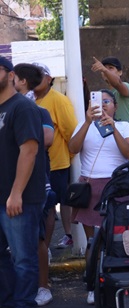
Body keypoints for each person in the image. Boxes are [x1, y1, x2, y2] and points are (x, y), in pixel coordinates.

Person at [69, 89, 129, 304]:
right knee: (93, 241)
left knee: (117, 237)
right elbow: (72, 148)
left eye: (107, 101)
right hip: (89, 186)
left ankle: (118, 280)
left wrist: (113, 128)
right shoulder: (84, 125)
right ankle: (92, 285)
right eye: (99, 101)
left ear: (115, 106)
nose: (103, 105)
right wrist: (88, 122)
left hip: (117, 185)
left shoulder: (125, 126)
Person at [0, 57, 47, 308]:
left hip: (20, 197)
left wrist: (16, 192)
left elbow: (29, 151)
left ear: (10, 75)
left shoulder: (23, 107)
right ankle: (6, 306)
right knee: (2, 258)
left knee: (23, 256)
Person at [12, 64, 55, 308]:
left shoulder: (38, 111)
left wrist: (19, 130)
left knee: (36, 238)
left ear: (22, 82)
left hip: (34, 184)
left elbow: (47, 138)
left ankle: (42, 286)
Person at [32, 63, 77, 251]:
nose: (35, 80)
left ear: (49, 79)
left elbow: (71, 131)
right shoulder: (30, 101)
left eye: (39, 76)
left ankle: (65, 237)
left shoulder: (58, 100)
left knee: (57, 203)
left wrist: (70, 157)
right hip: (36, 164)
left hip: (57, 162)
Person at [91, 56, 129, 148]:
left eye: (111, 68)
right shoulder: (104, 95)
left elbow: (117, 83)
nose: (106, 70)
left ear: (120, 72)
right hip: (111, 144)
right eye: (104, 68)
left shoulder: (127, 87)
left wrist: (105, 70)